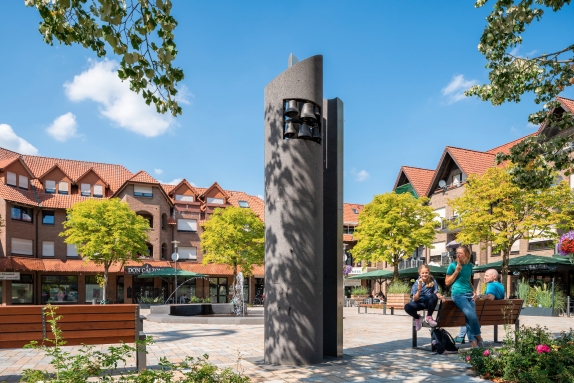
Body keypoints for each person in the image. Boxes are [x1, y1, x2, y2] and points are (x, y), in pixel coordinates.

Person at [446, 245, 484, 348]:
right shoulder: (452, 266)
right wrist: (457, 271)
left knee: (469, 319)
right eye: (457, 253)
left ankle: (474, 345)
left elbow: (468, 280)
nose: (457, 255)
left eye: (460, 253)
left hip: (469, 294)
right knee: (472, 316)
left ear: (466, 254)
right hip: (458, 294)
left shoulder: (470, 266)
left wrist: (474, 290)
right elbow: (447, 282)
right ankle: (479, 339)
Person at [454, 268, 505, 343]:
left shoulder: (490, 285)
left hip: (483, 315)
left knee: (469, 315)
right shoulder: (501, 286)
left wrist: (479, 297)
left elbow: (491, 297)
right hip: (495, 315)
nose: (484, 277)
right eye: (485, 276)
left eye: (487, 276)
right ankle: (465, 336)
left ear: (494, 277)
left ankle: (461, 336)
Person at [404, 264, 444, 331]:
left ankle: (429, 317)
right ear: (419, 273)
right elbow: (415, 299)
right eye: (423, 273)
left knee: (433, 296)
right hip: (419, 303)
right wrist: (419, 290)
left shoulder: (432, 280)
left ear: (429, 272)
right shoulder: (416, 284)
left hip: (429, 303)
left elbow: (436, 293)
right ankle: (418, 318)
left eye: (426, 273)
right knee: (407, 307)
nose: (424, 274)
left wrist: (441, 296)